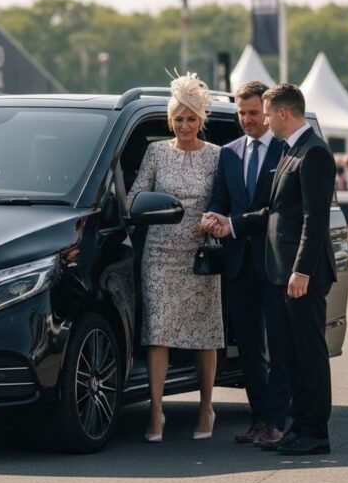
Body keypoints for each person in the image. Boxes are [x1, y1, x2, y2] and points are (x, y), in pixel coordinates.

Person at [205, 84, 337, 456]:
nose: (259, 119)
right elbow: (275, 212)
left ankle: (315, 433)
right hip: (285, 271)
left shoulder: (313, 154)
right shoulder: (295, 150)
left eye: (263, 111)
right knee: (294, 355)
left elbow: (315, 221)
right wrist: (231, 225)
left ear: (281, 113)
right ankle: (298, 428)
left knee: (309, 355)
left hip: (301, 274)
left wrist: (302, 271)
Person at [128, 73, 222, 442]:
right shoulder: (156, 153)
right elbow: (136, 196)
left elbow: (222, 200)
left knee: (205, 334)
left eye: (191, 119)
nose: (185, 126)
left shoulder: (217, 156)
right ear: (170, 120)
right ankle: (156, 411)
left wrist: (210, 220)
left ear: (201, 120)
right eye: (179, 119)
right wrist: (149, 208)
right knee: (158, 334)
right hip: (159, 252)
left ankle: (206, 407)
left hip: (199, 253)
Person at [206, 80, 288, 447]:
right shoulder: (229, 153)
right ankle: (258, 420)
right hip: (238, 266)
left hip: (275, 263)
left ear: (268, 113)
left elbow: (281, 210)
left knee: (280, 346)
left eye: (254, 112)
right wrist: (210, 218)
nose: (247, 119)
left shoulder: (287, 151)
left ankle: (277, 421)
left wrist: (234, 224)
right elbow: (219, 200)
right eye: (242, 113)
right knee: (250, 348)